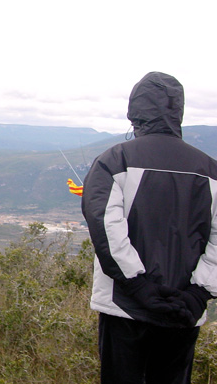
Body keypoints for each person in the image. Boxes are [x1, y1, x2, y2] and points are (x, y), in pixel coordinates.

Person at [81, 71, 217, 384]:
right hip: (184, 309)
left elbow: (105, 228)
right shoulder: (211, 170)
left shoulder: (114, 161)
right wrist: (198, 293)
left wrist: (139, 286)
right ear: (178, 111)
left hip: (124, 307)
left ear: (135, 111)